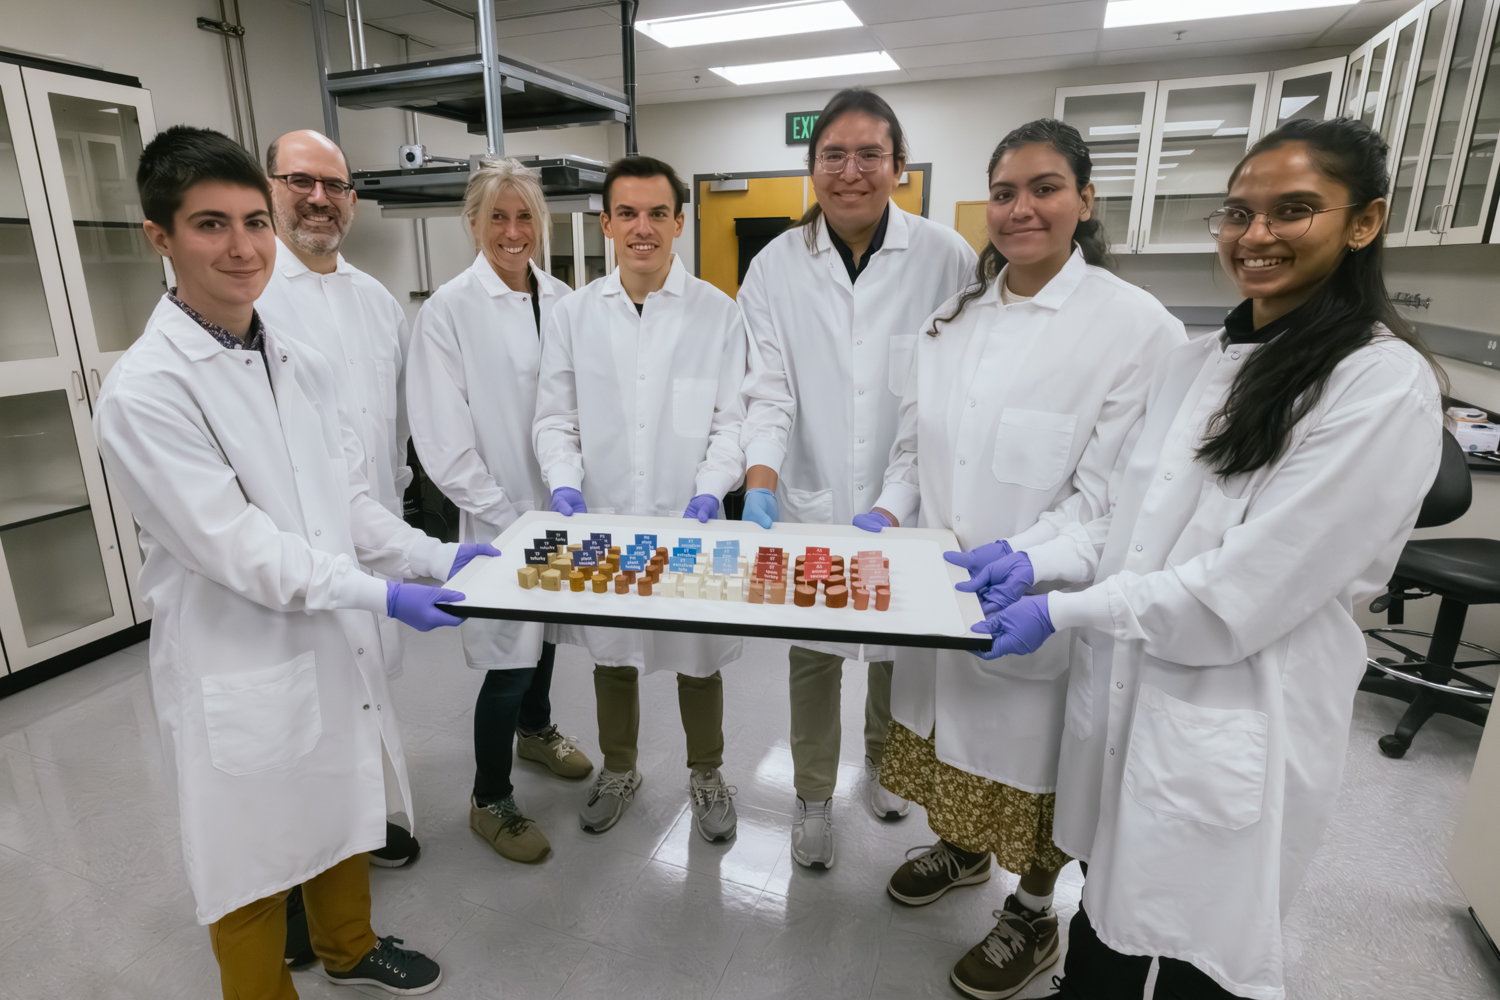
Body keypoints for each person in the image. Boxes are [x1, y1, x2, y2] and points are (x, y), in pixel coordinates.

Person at [967, 117, 1442, 999]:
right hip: (1135, 691)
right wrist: (1032, 557)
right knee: (1105, 919)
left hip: (1239, 704)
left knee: (1197, 949)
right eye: (1239, 213)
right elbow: (1115, 512)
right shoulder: (1199, 362)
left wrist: (1063, 609)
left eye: (1292, 211)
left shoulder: (1380, 384)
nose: (1255, 236)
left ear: (1364, 221)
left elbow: (1241, 590)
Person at [94, 125, 492, 998]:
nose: (241, 247)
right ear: (160, 237)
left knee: (342, 804)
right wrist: (386, 595)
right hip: (239, 655)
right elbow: (243, 550)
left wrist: (442, 554)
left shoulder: (293, 359)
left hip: (327, 634)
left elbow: (344, 501)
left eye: (250, 223)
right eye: (210, 225)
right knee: (248, 855)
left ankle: (348, 948)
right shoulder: (148, 390)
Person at [862, 119, 1184, 999]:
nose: (1021, 209)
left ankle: (1032, 913)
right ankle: (964, 852)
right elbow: (912, 447)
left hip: (1043, 601)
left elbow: (1110, 497)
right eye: (1004, 192)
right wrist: (887, 511)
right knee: (945, 739)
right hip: (935, 591)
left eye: (1044, 188)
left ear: (1085, 200)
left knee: (1037, 774)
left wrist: (1028, 561)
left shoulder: (1136, 329)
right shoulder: (952, 316)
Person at [737, 88, 977, 867]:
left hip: (910, 495)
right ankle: (811, 797)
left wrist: (898, 500)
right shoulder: (773, 267)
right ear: (812, 168)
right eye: (833, 155)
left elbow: (947, 393)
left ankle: (884, 765)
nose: (850, 171)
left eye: (869, 154)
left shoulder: (946, 257)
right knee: (813, 655)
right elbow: (768, 388)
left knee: (895, 647)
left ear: (898, 168)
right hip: (807, 496)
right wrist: (762, 477)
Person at [534, 155, 746, 842]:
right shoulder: (572, 314)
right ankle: (620, 768)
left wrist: (712, 491)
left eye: (658, 213)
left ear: (680, 223)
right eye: (627, 213)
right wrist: (565, 480)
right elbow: (555, 416)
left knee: (698, 653)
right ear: (606, 223)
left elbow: (729, 424)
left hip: (692, 518)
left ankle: (707, 774)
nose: (642, 228)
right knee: (613, 650)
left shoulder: (717, 313)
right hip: (605, 516)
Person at [407, 157, 593, 866]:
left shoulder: (561, 297)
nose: (512, 232)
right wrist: (507, 513)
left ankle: (537, 731)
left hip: (559, 504)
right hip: (498, 515)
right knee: (507, 659)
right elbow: (442, 444)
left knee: (546, 635)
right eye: (497, 218)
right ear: (473, 223)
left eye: (525, 218)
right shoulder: (448, 311)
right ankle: (490, 798)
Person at [253, 130, 421, 880]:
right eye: (300, 181)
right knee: (297, 721)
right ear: (270, 187)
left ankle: (363, 823)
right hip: (289, 558)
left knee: (367, 693)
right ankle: (293, 879)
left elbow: (392, 434)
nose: (319, 199)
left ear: (351, 199)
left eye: (334, 186)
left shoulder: (377, 302)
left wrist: (406, 534)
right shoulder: (253, 296)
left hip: (373, 528)